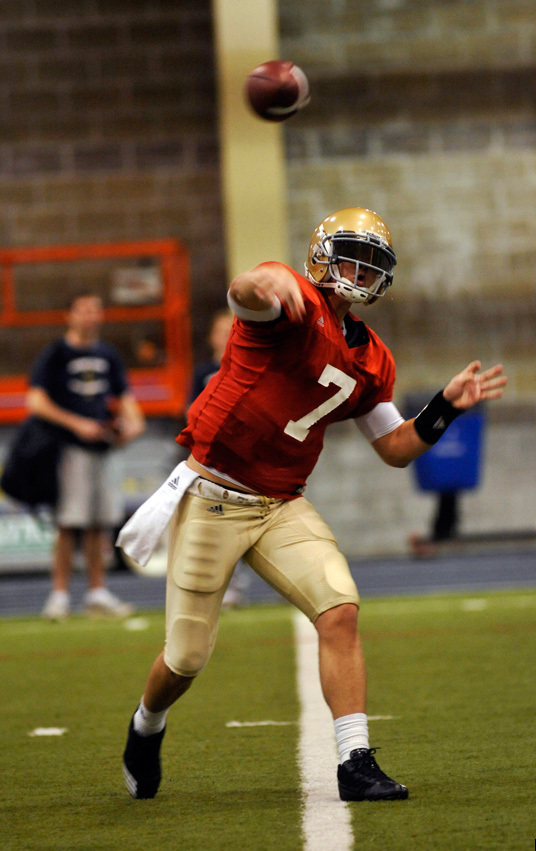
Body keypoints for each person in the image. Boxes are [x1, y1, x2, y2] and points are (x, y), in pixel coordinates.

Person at [120, 207, 507, 802]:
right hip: (215, 494)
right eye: (351, 256)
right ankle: (146, 724)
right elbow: (247, 290)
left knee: (341, 608)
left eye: (372, 263)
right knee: (186, 658)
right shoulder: (289, 300)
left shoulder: (373, 355)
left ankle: (355, 760)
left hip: (281, 503)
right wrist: (265, 281)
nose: (360, 270)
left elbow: (396, 447)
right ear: (320, 257)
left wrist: (445, 407)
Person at [27, 292, 146, 621]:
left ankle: (97, 591)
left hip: (106, 449)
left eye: (96, 310)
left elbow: (124, 396)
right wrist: (77, 424)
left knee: (100, 524)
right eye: (84, 310)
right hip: (69, 450)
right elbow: (36, 401)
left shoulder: (108, 355)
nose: (90, 316)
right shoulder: (56, 353)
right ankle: (60, 594)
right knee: (68, 523)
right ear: (70, 315)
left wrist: (134, 424)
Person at [188, 308, 251, 608]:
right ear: (212, 337)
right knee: (214, 521)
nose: (226, 336)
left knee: (242, 522)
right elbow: (191, 413)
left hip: (246, 460)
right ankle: (217, 583)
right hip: (211, 461)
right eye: (221, 331)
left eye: (232, 330)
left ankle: (236, 581)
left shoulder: (250, 367)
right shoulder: (203, 373)